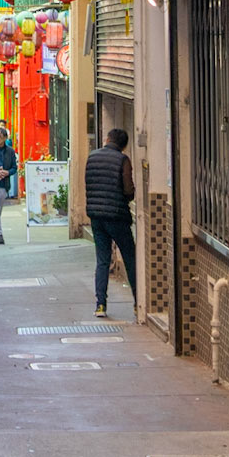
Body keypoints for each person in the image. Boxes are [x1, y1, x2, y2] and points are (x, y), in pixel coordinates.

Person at [85, 127, 137, 319]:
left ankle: (101, 305)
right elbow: (128, 190)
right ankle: (138, 303)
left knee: (102, 261)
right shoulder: (123, 160)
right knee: (130, 259)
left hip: (96, 217)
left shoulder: (92, 157)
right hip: (117, 216)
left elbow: (89, 184)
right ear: (123, 145)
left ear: (107, 139)